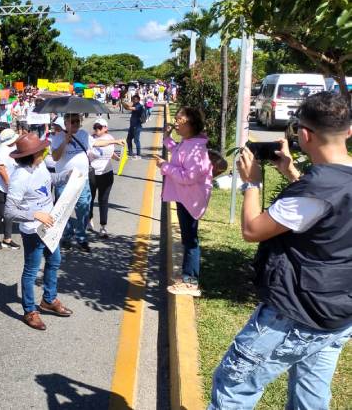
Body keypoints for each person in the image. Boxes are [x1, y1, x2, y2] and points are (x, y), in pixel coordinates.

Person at [208, 92, 352, 408]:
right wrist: (292, 175)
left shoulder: (314, 191)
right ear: (349, 131)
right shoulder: (330, 183)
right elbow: (329, 211)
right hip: (339, 313)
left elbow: (252, 230)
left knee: (234, 388)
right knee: (310, 398)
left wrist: (252, 183)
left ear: (303, 134)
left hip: (295, 312)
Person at [4, 133, 74, 330]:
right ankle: (29, 311)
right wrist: (35, 214)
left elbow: (49, 180)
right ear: (32, 154)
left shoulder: (40, 165)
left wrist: (66, 176)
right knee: (31, 270)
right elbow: (9, 211)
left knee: (54, 261)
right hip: (33, 231)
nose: (45, 151)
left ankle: (49, 300)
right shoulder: (20, 178)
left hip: (51, 226)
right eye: (41, 149)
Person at [151, 107, 213, 297]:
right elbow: (176, 150)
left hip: (190, 198)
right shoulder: (188, 143)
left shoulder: (196, 148)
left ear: (190, 123)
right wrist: (167, 137)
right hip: (184, 197)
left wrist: (165, 166)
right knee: (188, 238)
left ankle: (190, 281)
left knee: (191, 240)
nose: (176, 122)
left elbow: (188, 177)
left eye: (179, 119)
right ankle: (188, 277)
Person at [50, 113, 92, 251]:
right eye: (72, 122)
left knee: (84, 209)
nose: (75, 124)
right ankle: (67, 236)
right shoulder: (57, 137)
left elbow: (93, 147)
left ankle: (81, 237)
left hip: (82, 179)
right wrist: (65, 141)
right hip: (64, 180)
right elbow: (55, 157)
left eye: (77, 121)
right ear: (66, 123)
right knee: (63, 211)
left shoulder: (84, 134)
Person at [87, 119, 124, 238]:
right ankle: (89, 220)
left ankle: (103, 226)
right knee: (90, 199)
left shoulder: (110, 138)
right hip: (92, 173)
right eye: (95, 127)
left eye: (99, 127)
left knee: (103, 200)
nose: (97, 129)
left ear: (106, 128)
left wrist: (118, 158)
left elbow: (109, 150)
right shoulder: (90, 139)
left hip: (106, 173)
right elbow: (96, 146)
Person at [0, 129, 20, 249]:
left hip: (9, 187)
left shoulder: (13, 148)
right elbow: (1, 169)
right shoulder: (1, 150)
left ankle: (7, 238)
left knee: (9, 213)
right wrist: (9, 184)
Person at [122, 94, 145, 159]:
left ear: (138, 100)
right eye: (133, 99)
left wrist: (123, 102)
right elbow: (128, 106)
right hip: (132, 126)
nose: (133, 100)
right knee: (128, 139)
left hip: (137, 126)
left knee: (136, 140)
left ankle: (139, 154)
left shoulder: (139, 106)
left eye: (135, 99)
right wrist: (123, 102)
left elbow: (128, 108)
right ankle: (130, 152)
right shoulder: (135, 105)